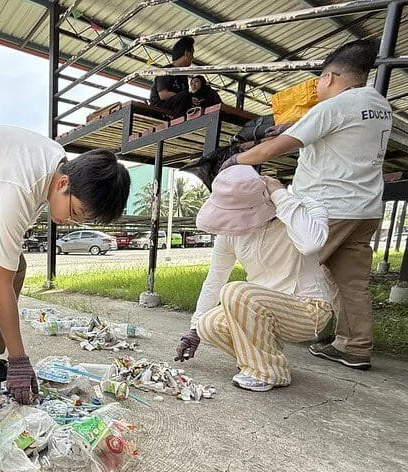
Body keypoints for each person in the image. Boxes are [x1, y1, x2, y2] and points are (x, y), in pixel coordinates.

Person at [0, 125, 130, 403]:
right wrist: (19, 359)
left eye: (82, 221)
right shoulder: (18, 187)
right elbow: (1, 283)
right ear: (63, 184)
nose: (72, 222)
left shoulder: (57, 165)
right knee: (5, 271)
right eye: (76, 213)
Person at [222, 40, 391, 370]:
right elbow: (339, 136)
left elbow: (276, 148)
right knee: (352, 283)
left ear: (329, 77)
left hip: (327, 210)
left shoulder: (334, 106)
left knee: (283, 272)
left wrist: (236, 161)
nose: (317, 87)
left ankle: (262, 340)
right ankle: (354, 346)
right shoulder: (378, 104)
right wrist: (291, 127)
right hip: (366, 209)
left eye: (318, 81)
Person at [174, 165, 332, 392]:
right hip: (260, 312)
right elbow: (215, 278)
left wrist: (279, 194)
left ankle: (268, 372)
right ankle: (268, 362)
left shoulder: (302, 210)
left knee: (235, 291)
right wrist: (193, 330)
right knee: (208, 324)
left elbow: (311, 243)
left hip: (308, 310)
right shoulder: (231, 232)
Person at [149, 36, 195, 116]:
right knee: (187, 95)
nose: (193, 58)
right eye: (192, 54)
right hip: (159, 108)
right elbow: (163, 95)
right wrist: (185, 97)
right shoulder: (166, 70)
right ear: (186, 53)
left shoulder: (183, 76)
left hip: (175, 108)